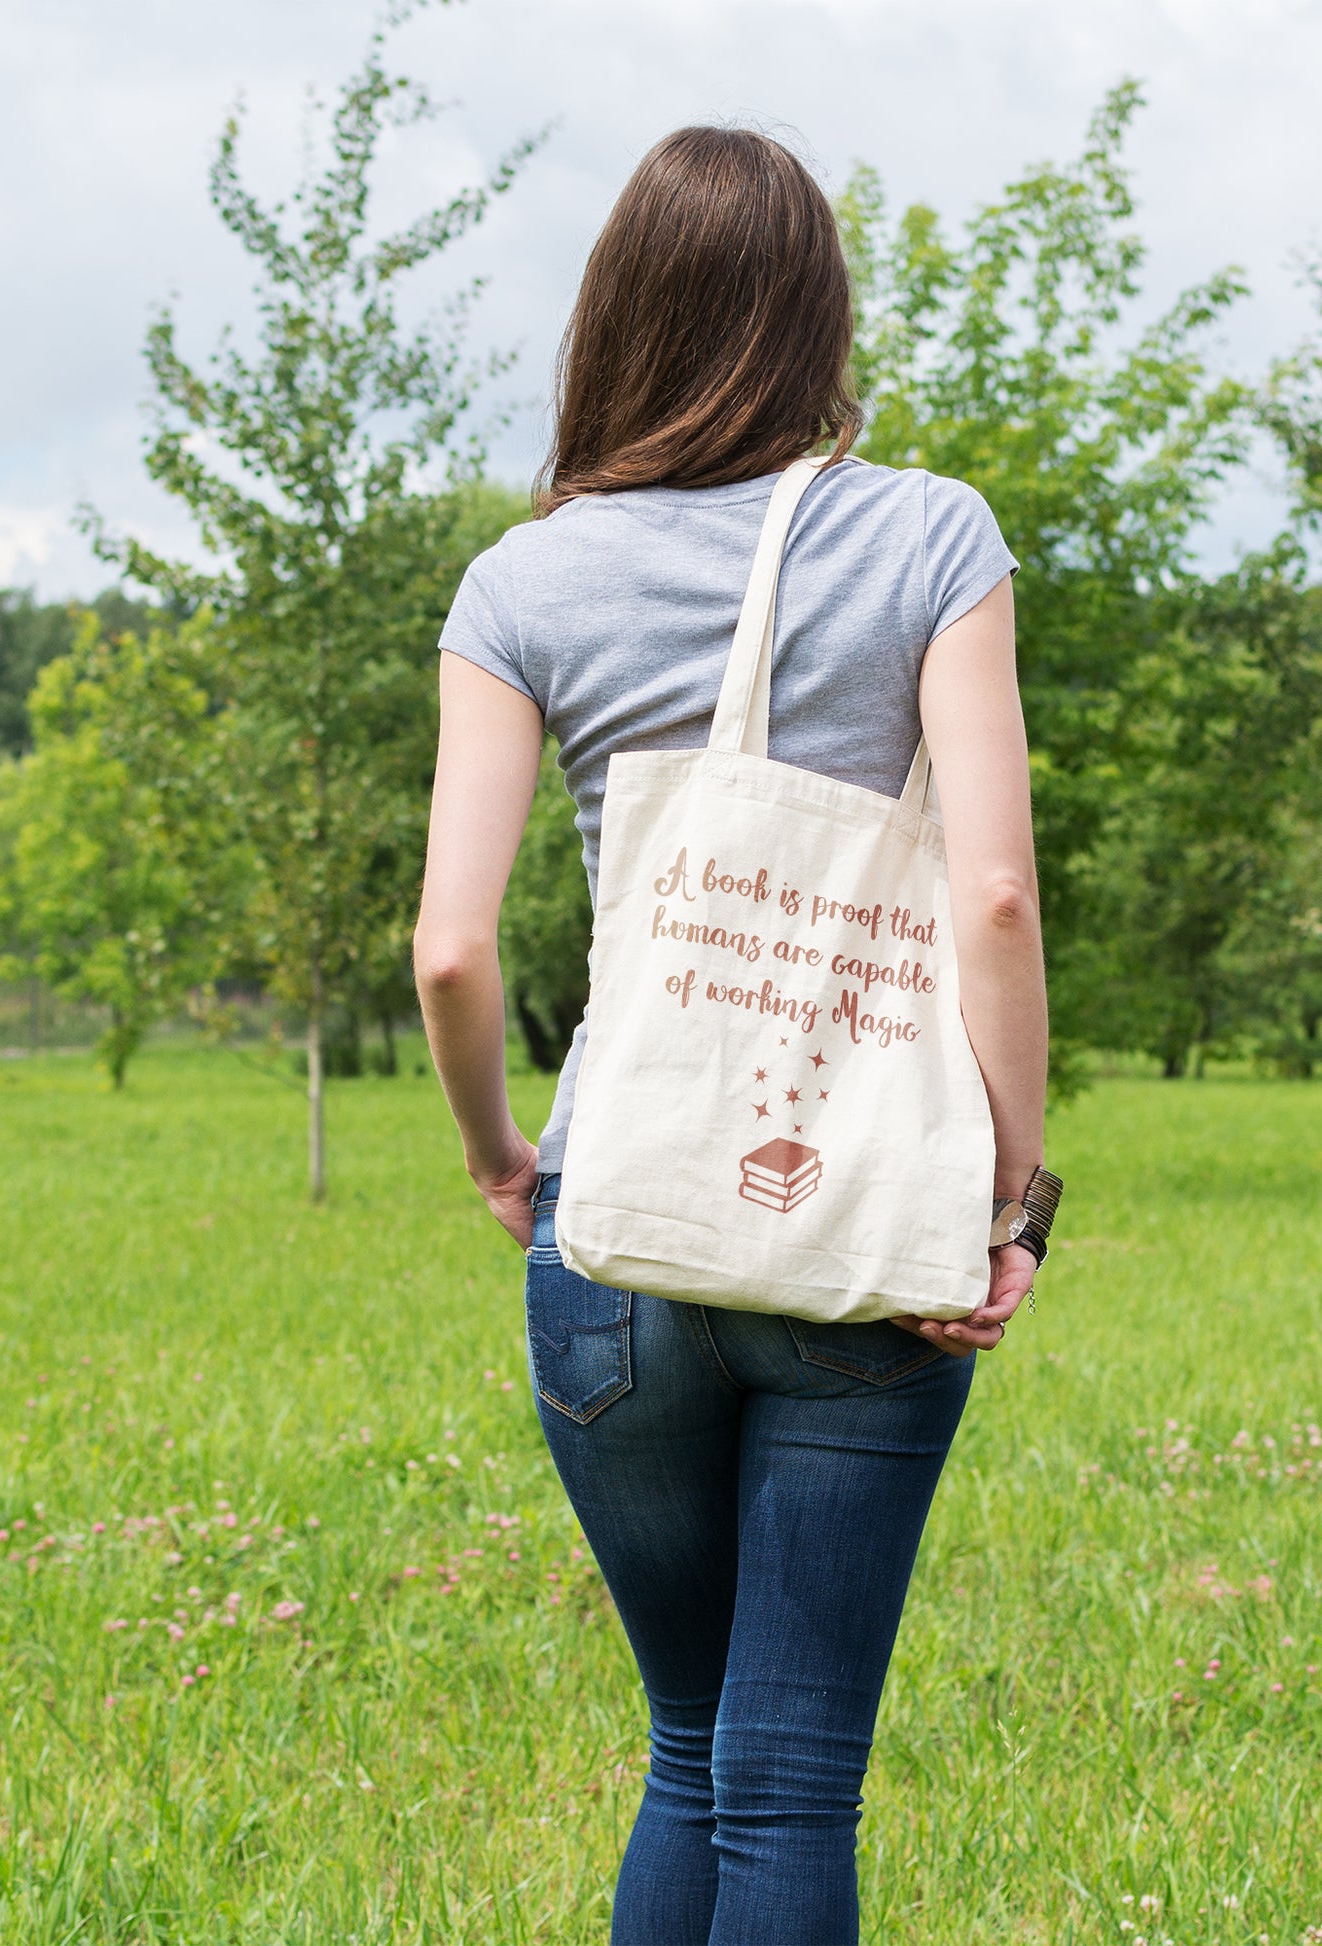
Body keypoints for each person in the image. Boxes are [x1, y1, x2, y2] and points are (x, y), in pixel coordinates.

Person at [413, 124, 1050, 1946]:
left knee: (687, 1742)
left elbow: (454, 946)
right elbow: (993, 899)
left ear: (613, 319)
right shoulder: (931, 534)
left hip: (614, 1219)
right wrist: (1004, 1200)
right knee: (788, 1772)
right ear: (816, 320)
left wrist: (495, 1160)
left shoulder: (523, 586)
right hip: (862, 1233)